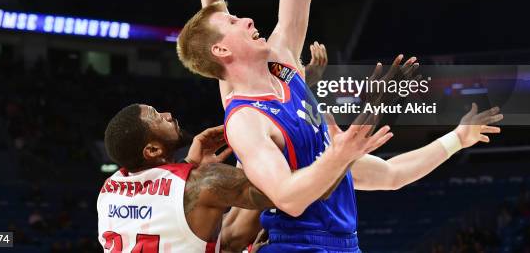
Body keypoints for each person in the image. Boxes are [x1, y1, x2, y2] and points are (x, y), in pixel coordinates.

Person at [178, 0, 504, 252]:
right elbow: (288, 196)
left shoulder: (284, 67)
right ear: (223, 51)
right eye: (234, 21)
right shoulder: (246, 120)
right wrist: (341, 152)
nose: (247, 18)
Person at [97, 104, 379, 253]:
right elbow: (300, 193)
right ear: (153, 150)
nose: (168, 114)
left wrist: (189, 165)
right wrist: (346, 151)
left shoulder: (109, 191)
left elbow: (162, 207)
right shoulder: (204, 183)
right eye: (157, 116)